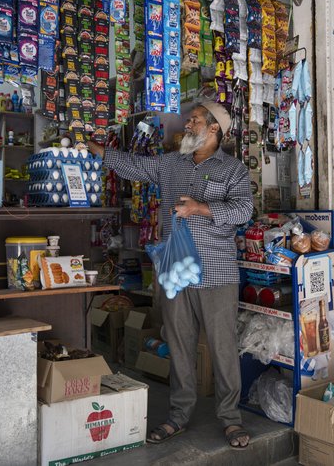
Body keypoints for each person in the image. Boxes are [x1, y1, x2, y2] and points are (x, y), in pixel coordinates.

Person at [87, 103, 253, 449]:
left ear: (213, 130)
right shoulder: (170, 163)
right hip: (177, 273)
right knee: (179, 346)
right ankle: (178, 415)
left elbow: (242, 210)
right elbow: (134, 166)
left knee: (223, 348)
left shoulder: (233, 169)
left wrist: (200, 208)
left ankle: (231, 419)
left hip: (217, 272)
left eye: (194, 120)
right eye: (189, 118)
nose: (187, 124)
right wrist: (97, 150)